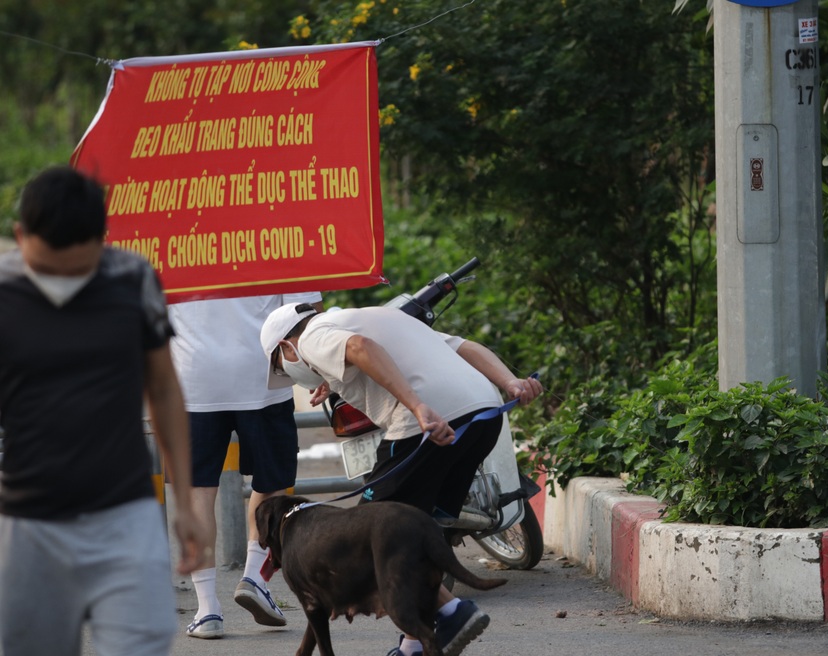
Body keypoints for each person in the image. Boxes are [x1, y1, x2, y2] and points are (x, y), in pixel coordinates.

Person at [0, 166, 206, 656]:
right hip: (27, 525)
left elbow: (164, 388)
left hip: (124, 516)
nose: (63, 285)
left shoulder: (132, 279)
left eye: (78, 271)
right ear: (21, 237)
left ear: (102, 240)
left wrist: (184, 504)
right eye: (49, 269)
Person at [260, 302, 543, 656]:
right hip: (483, 414)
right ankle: (413, 643)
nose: (289, 375)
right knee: (412, 531)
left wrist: (416, 406)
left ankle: (453, 612)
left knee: (370, 533)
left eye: (281, 368)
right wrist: (510, 382)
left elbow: (360, 347)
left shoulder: (311, 337)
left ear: (286, 346)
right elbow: (463, 347)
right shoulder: (379, 315)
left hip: (428, 421)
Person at [169, 292, 324, 639]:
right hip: (263, 376)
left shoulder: (163, 254)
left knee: (196, 491)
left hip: (193, 378)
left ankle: (207, 610)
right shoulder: (282, 251)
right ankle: (254, 576)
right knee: (271, 482)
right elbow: (307, 314)